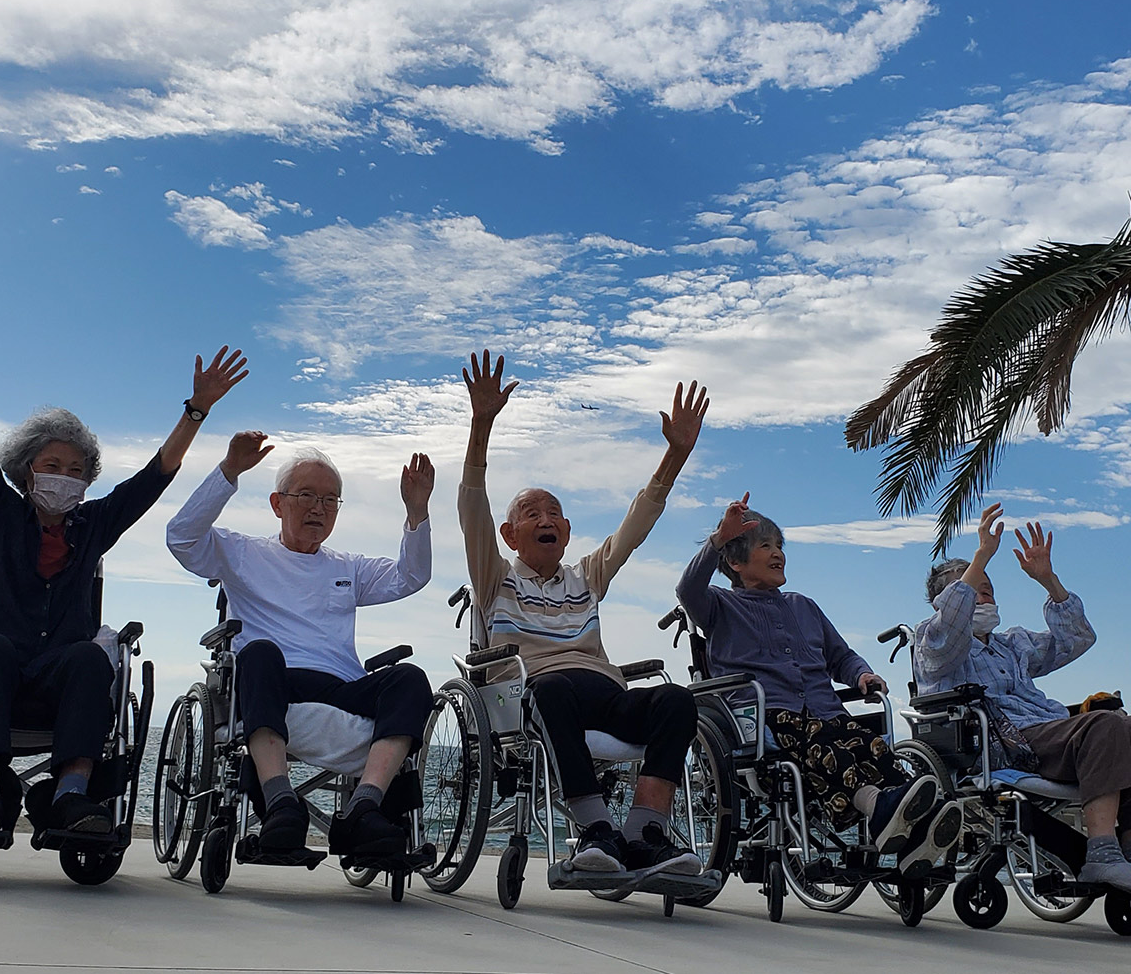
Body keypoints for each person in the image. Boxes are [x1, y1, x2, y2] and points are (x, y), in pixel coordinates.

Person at [0, 275, 247, 835]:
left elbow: (154, 476)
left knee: (91, 657)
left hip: (54, 679)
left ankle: (70, 795)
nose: (63, 477)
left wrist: (196, 410)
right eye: (51, 466)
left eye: (75, 470)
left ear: (88, 480)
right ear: (25, 471)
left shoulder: (92, 527)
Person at [458, 350, 708, 877]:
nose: (546, 519)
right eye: (532, 513)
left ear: (567, 532)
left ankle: (644, 833)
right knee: (552, 690)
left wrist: (675, 455)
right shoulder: (495, 577)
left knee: (677, 700)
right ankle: (596, 830)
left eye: (554, 513)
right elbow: (472, 504)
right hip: (538, 693)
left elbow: (636, 525)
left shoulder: (586, 577)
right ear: (510, 534)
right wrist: (482, 425)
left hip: (605, 693)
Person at [166, 432, 435, 858]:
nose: (318, 508)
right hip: (272, 682)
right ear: (278, 504)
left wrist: (416, 513)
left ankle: (364, 807)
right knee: (258, 651)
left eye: (330, 500)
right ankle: (279, 802)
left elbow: (411, 576)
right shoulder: (242, 552)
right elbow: (181, 538)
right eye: (307, 495)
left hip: (341, 686)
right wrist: (229, 471)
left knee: (410, 679)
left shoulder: (348, 567)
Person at [677, 493, 963, 877]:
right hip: (766, 716)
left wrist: (861, 674)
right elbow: (687, 589)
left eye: (779, 545)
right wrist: (719, 539)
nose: (778, 553)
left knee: (873, 747)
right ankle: (877, 806)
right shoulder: (719, 606)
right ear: (735, 562)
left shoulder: (804, 606)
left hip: (826, 712)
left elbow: (840, 656)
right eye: (765, 546)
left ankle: (919, 836)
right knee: (822, 742)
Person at [916, 503, 1130, 892]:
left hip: (1047, 732)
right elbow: (950, 626)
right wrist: (981, 556)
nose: (984, 591)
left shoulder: (1012, 644)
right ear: (944, 601)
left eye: (988, 588)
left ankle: (1125, 847)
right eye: (974, 587)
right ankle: (1102, 855)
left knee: (1122, 726)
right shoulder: (932, 643)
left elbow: (1078, 639)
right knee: (1105, 726)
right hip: (1001, 742)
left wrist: (1049, 581)